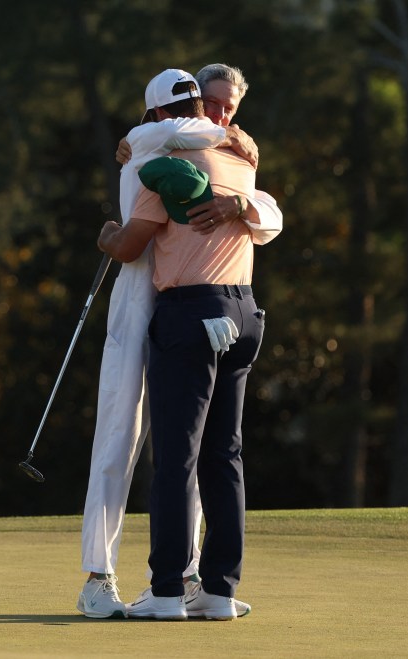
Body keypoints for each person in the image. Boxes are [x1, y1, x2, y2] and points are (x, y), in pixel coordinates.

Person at [78, 65, 281, 619]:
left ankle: (166, 591)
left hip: (189, 314)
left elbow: (129, 248)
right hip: (244, 313)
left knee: (175, 458)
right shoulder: (241, 161)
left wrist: (106, 236)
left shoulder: (157, 166)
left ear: (158, 115)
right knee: (225, 457)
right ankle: (217, 591)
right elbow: (267, 212)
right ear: (202, 108)